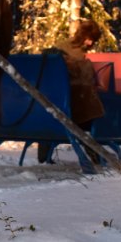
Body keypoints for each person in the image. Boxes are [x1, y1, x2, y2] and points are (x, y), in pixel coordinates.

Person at [38, 20, 105, 163]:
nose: (90, 43)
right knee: (88, 107)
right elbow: (80, 76)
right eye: (89, 39)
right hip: (65, 97)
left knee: (83, 104)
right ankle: (88, 142)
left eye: (93, 41)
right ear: (83, 36)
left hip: (52, 95)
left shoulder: (64, 46)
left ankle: (47, 148)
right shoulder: (74, 52)